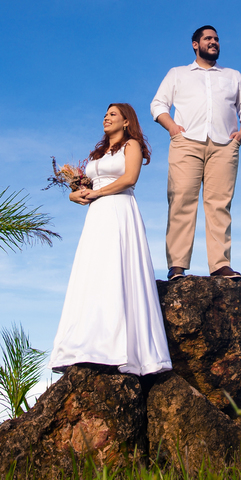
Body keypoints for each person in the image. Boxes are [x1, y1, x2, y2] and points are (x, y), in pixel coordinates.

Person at [49, 103, 172, 376]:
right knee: (94, 273)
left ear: (126, 121)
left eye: (113, 114)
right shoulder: (98, 154)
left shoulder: (132, 146)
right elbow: (87, 188)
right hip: (97, 216)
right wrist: (75, 193)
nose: (106, 117)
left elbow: (129, 178)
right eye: (105, 114)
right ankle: (90, 345)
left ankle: (124, 350)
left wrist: (98, 193)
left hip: (119, 211)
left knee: (119, 271)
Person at [150, 25, 241, 281]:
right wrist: (173, 129)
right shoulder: (178, 74)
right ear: (195, 44)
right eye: (208, 38)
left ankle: (220, 264)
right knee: (181, 200)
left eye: (217, 39)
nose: (214, 42)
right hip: (186, 142)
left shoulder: (233, 75)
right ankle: (177, 264)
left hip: (224, 145)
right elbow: (158, 105)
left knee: (220, 205)